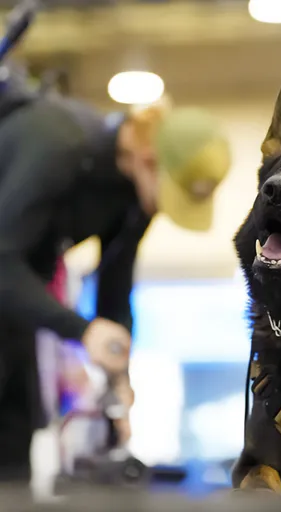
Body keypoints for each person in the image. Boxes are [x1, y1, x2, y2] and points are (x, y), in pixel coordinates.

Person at [0, 93, 232, 483]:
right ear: (147, 160)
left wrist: (118, 377)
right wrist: (82, 330)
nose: (160, 210)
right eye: (167, 196)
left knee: (12, 442)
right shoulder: (58, 146)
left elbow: (115, 284)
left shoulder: (133, 195)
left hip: (12, 306)